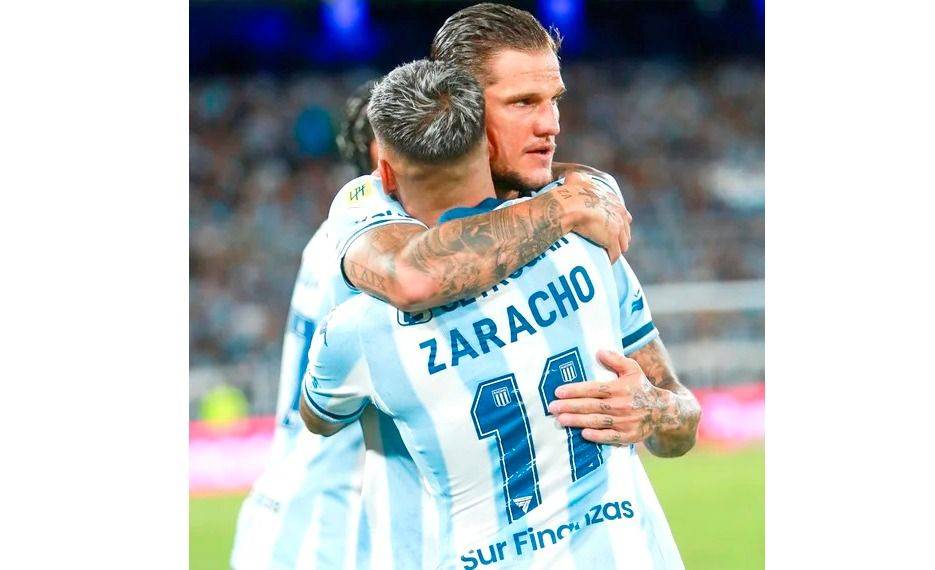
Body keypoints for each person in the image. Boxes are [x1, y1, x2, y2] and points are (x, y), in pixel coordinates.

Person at [231, 73, 634, 568]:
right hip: (333, 533)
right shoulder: (364, 256)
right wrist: (565, 202)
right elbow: (417, 276)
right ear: (383, 170)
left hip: (286, 512)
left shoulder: (338, 246)